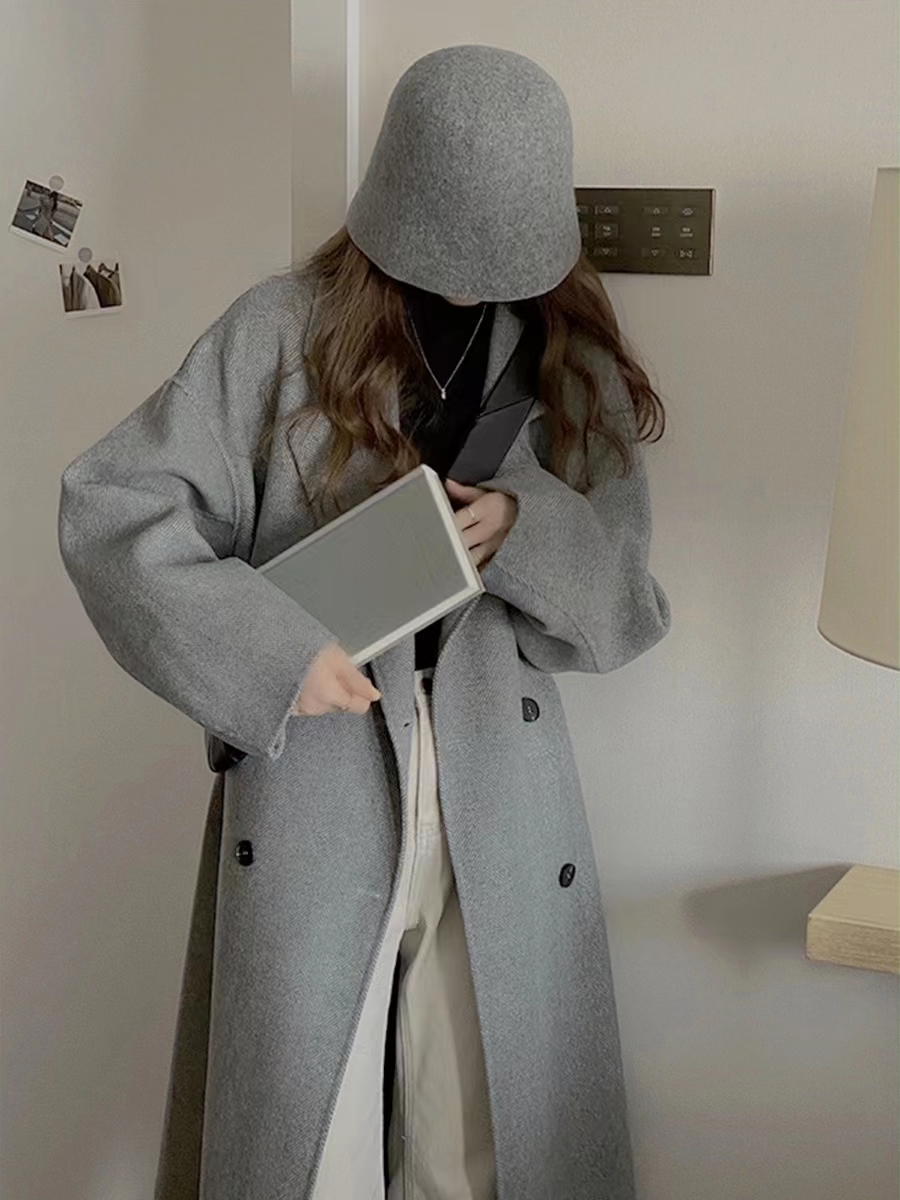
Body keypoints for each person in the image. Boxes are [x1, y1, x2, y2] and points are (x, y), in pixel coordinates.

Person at [57, 43, 671, 1200]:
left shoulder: (563, 361)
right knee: (312, 1141)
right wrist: (273, 652)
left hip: (503, 786)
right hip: (318, 774)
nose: (473, 280)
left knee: (478, 1148)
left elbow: (626, 609)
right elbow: (112, 512)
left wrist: (522, 528)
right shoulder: (278, 333)